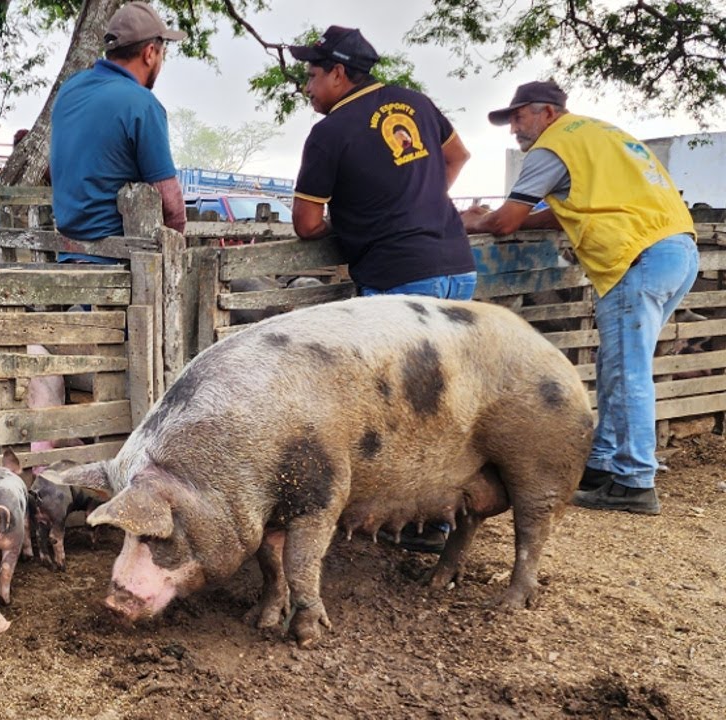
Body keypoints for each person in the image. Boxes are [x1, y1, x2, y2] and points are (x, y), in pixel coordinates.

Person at [462, 80, 699, 516]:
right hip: (677, 248)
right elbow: (561, 211)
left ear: (547, 113)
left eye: (519, 115)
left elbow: (507, 221)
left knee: (628, 370)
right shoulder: (599, 134)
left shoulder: (552, 148)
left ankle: (635, 481)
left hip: (636, 254)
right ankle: (604, 464)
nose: (514, 127)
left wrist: (473, 221)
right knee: (618, 365)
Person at [290, 25, 476, 300]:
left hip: (398, 277)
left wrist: (346, 223)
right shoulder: (418, 102)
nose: (307, 89)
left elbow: (307, 224)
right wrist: (419, 200)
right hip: (460, 269)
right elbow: (458, 156)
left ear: (338, 73)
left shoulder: (329, 132)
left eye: (312, 77)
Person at [49, 1, 187, 261]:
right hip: (119, 265)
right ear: (149, 53)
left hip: (67, 255)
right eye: (162, 54)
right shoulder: (142, 104)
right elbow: (172, 206)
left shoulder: (70, 89)